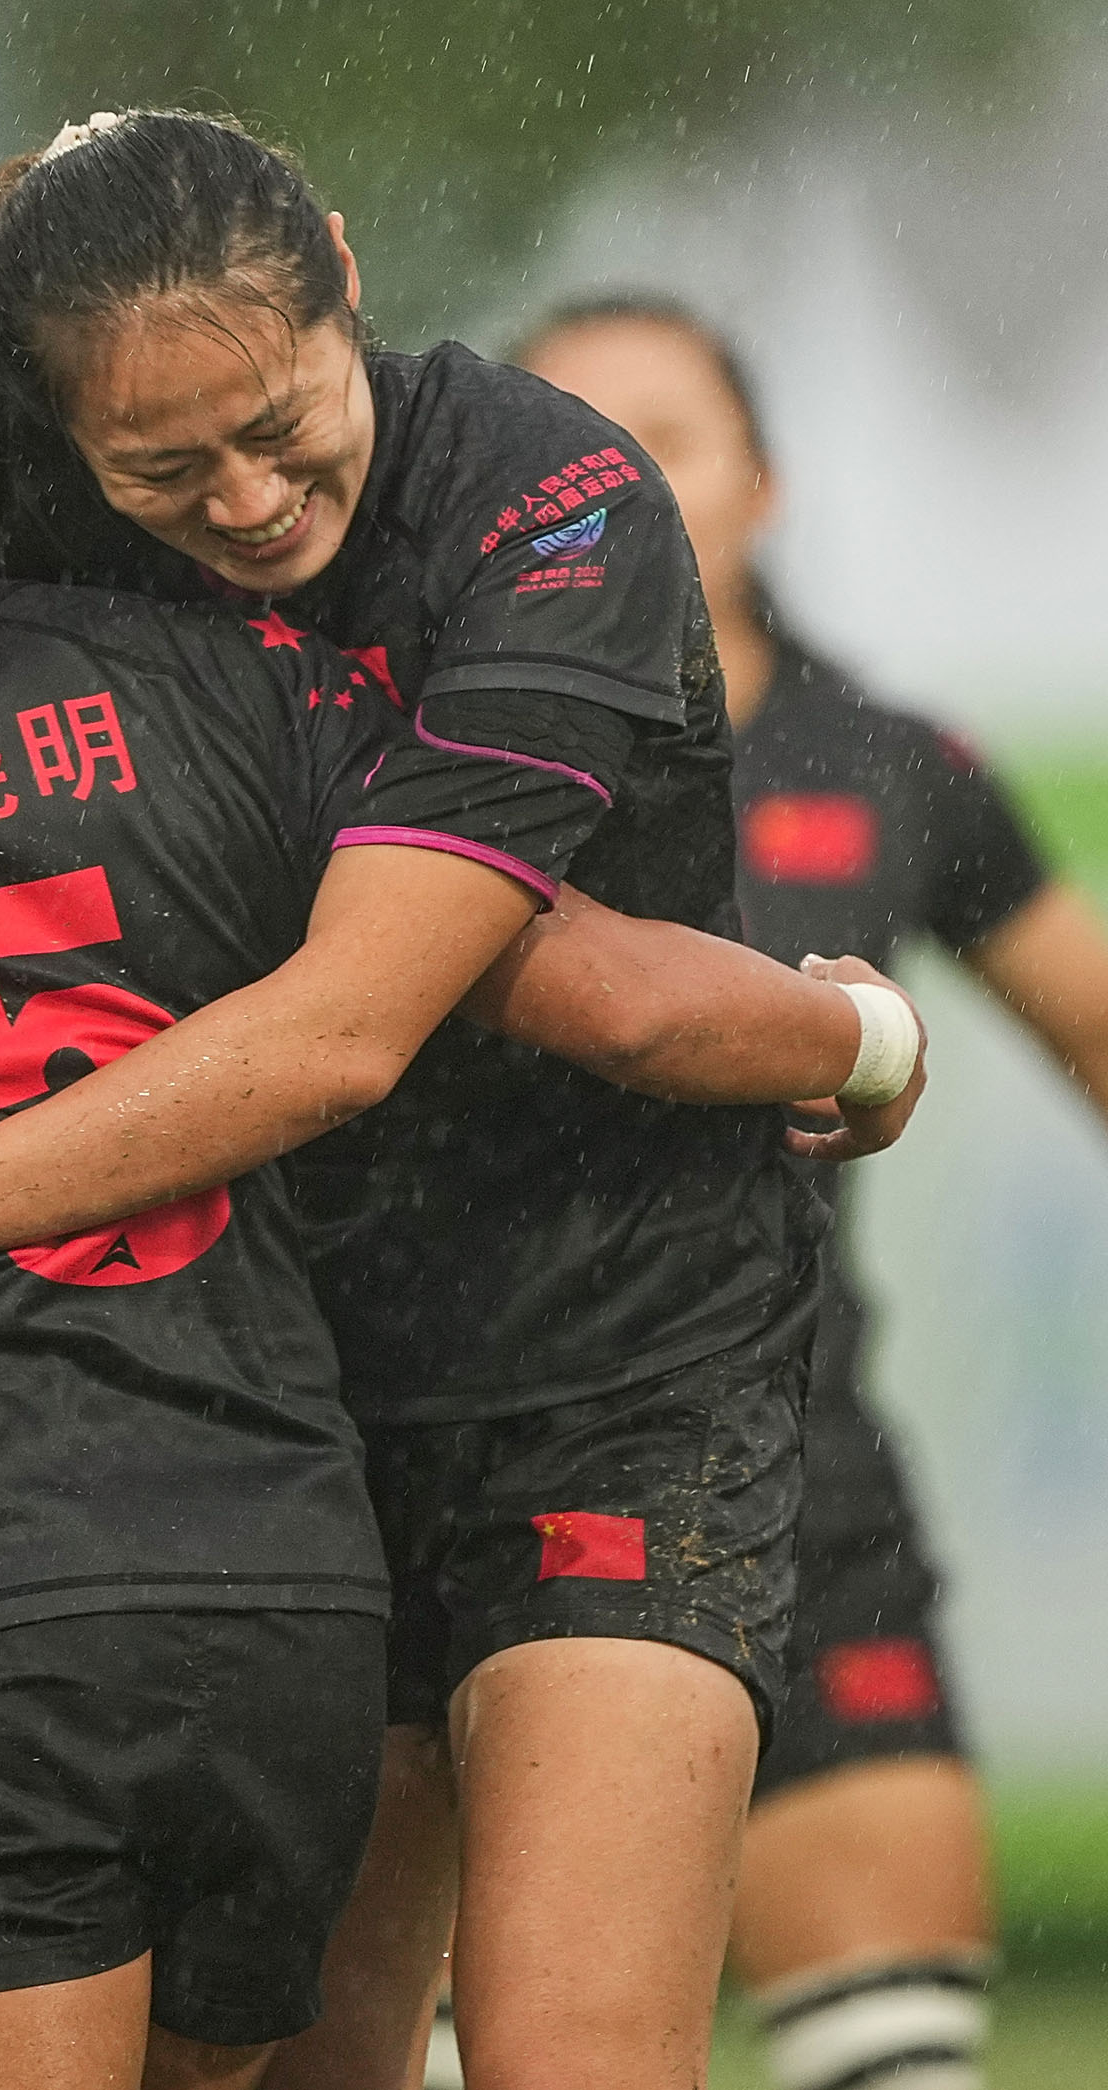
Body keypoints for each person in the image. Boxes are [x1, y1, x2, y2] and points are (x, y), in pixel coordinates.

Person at [0, 177, 915, 2090]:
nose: (240, 500)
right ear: (38, 433)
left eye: (273, 425)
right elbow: (582, 985)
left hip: (583, 1375)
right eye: (166, 459)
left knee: (565, 2053)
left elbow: (401, 1018)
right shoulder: (200, 668)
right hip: (300, 1456)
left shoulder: (547, 505)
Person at [517, 294, 1108, 2090]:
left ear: (764, 481)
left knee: (897, 2059)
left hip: (797, 1470)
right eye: (568, 463)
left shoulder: (887, 762)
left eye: (667, 445)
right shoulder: (434, 762)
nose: (621, 493)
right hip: (474, 1478)